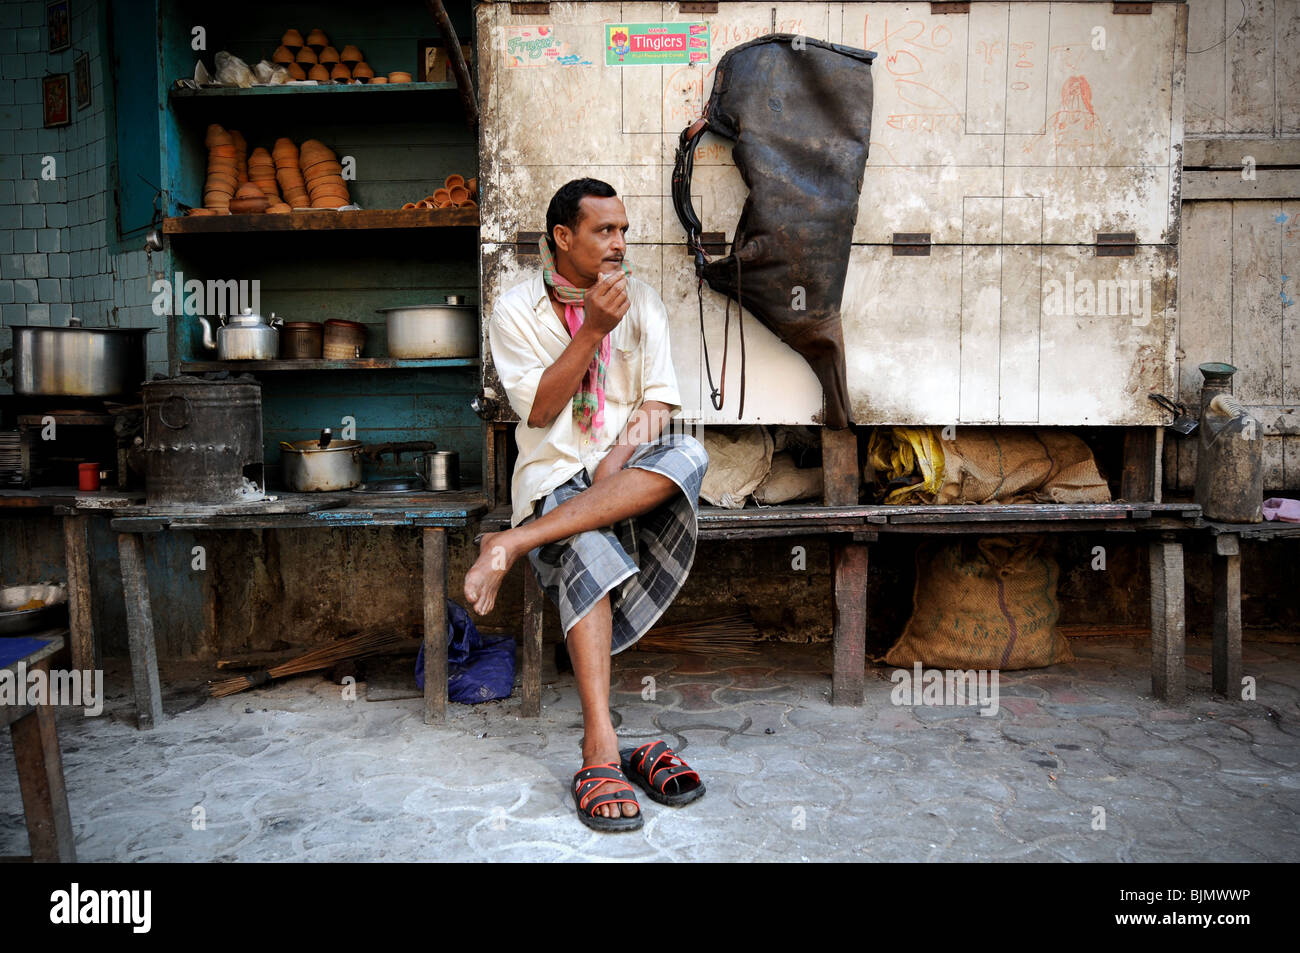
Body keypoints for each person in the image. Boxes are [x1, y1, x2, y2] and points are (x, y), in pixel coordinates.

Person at [464, 178, 710, 832]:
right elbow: (542, 409)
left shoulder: (645, 301)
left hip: (624, 473)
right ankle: (600, 742)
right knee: (587, 550)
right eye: (605, 231)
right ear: (563, 238)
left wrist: (616, 461)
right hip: (553, 474)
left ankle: (512, 543)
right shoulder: (515, 309)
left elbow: (657, 401)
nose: (619, 243)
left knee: (689, 456)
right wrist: (593, 329)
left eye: (623, 230)